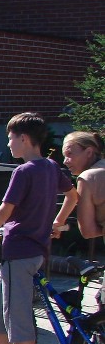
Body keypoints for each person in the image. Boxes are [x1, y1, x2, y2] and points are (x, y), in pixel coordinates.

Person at [0, 112, 78, 344]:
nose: (8, 144)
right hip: (26, 252)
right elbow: (73, 195)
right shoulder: (51, 167)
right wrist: (57, 222)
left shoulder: (25, 171)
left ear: (23, 138)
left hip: (21, 252)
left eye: (10, 138)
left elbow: (5, 209)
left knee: (17, 317)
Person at [62, 130, 105, 309]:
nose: (65, 161)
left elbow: (87, 231)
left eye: (70, 154)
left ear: (89, 152)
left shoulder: (87, 178)